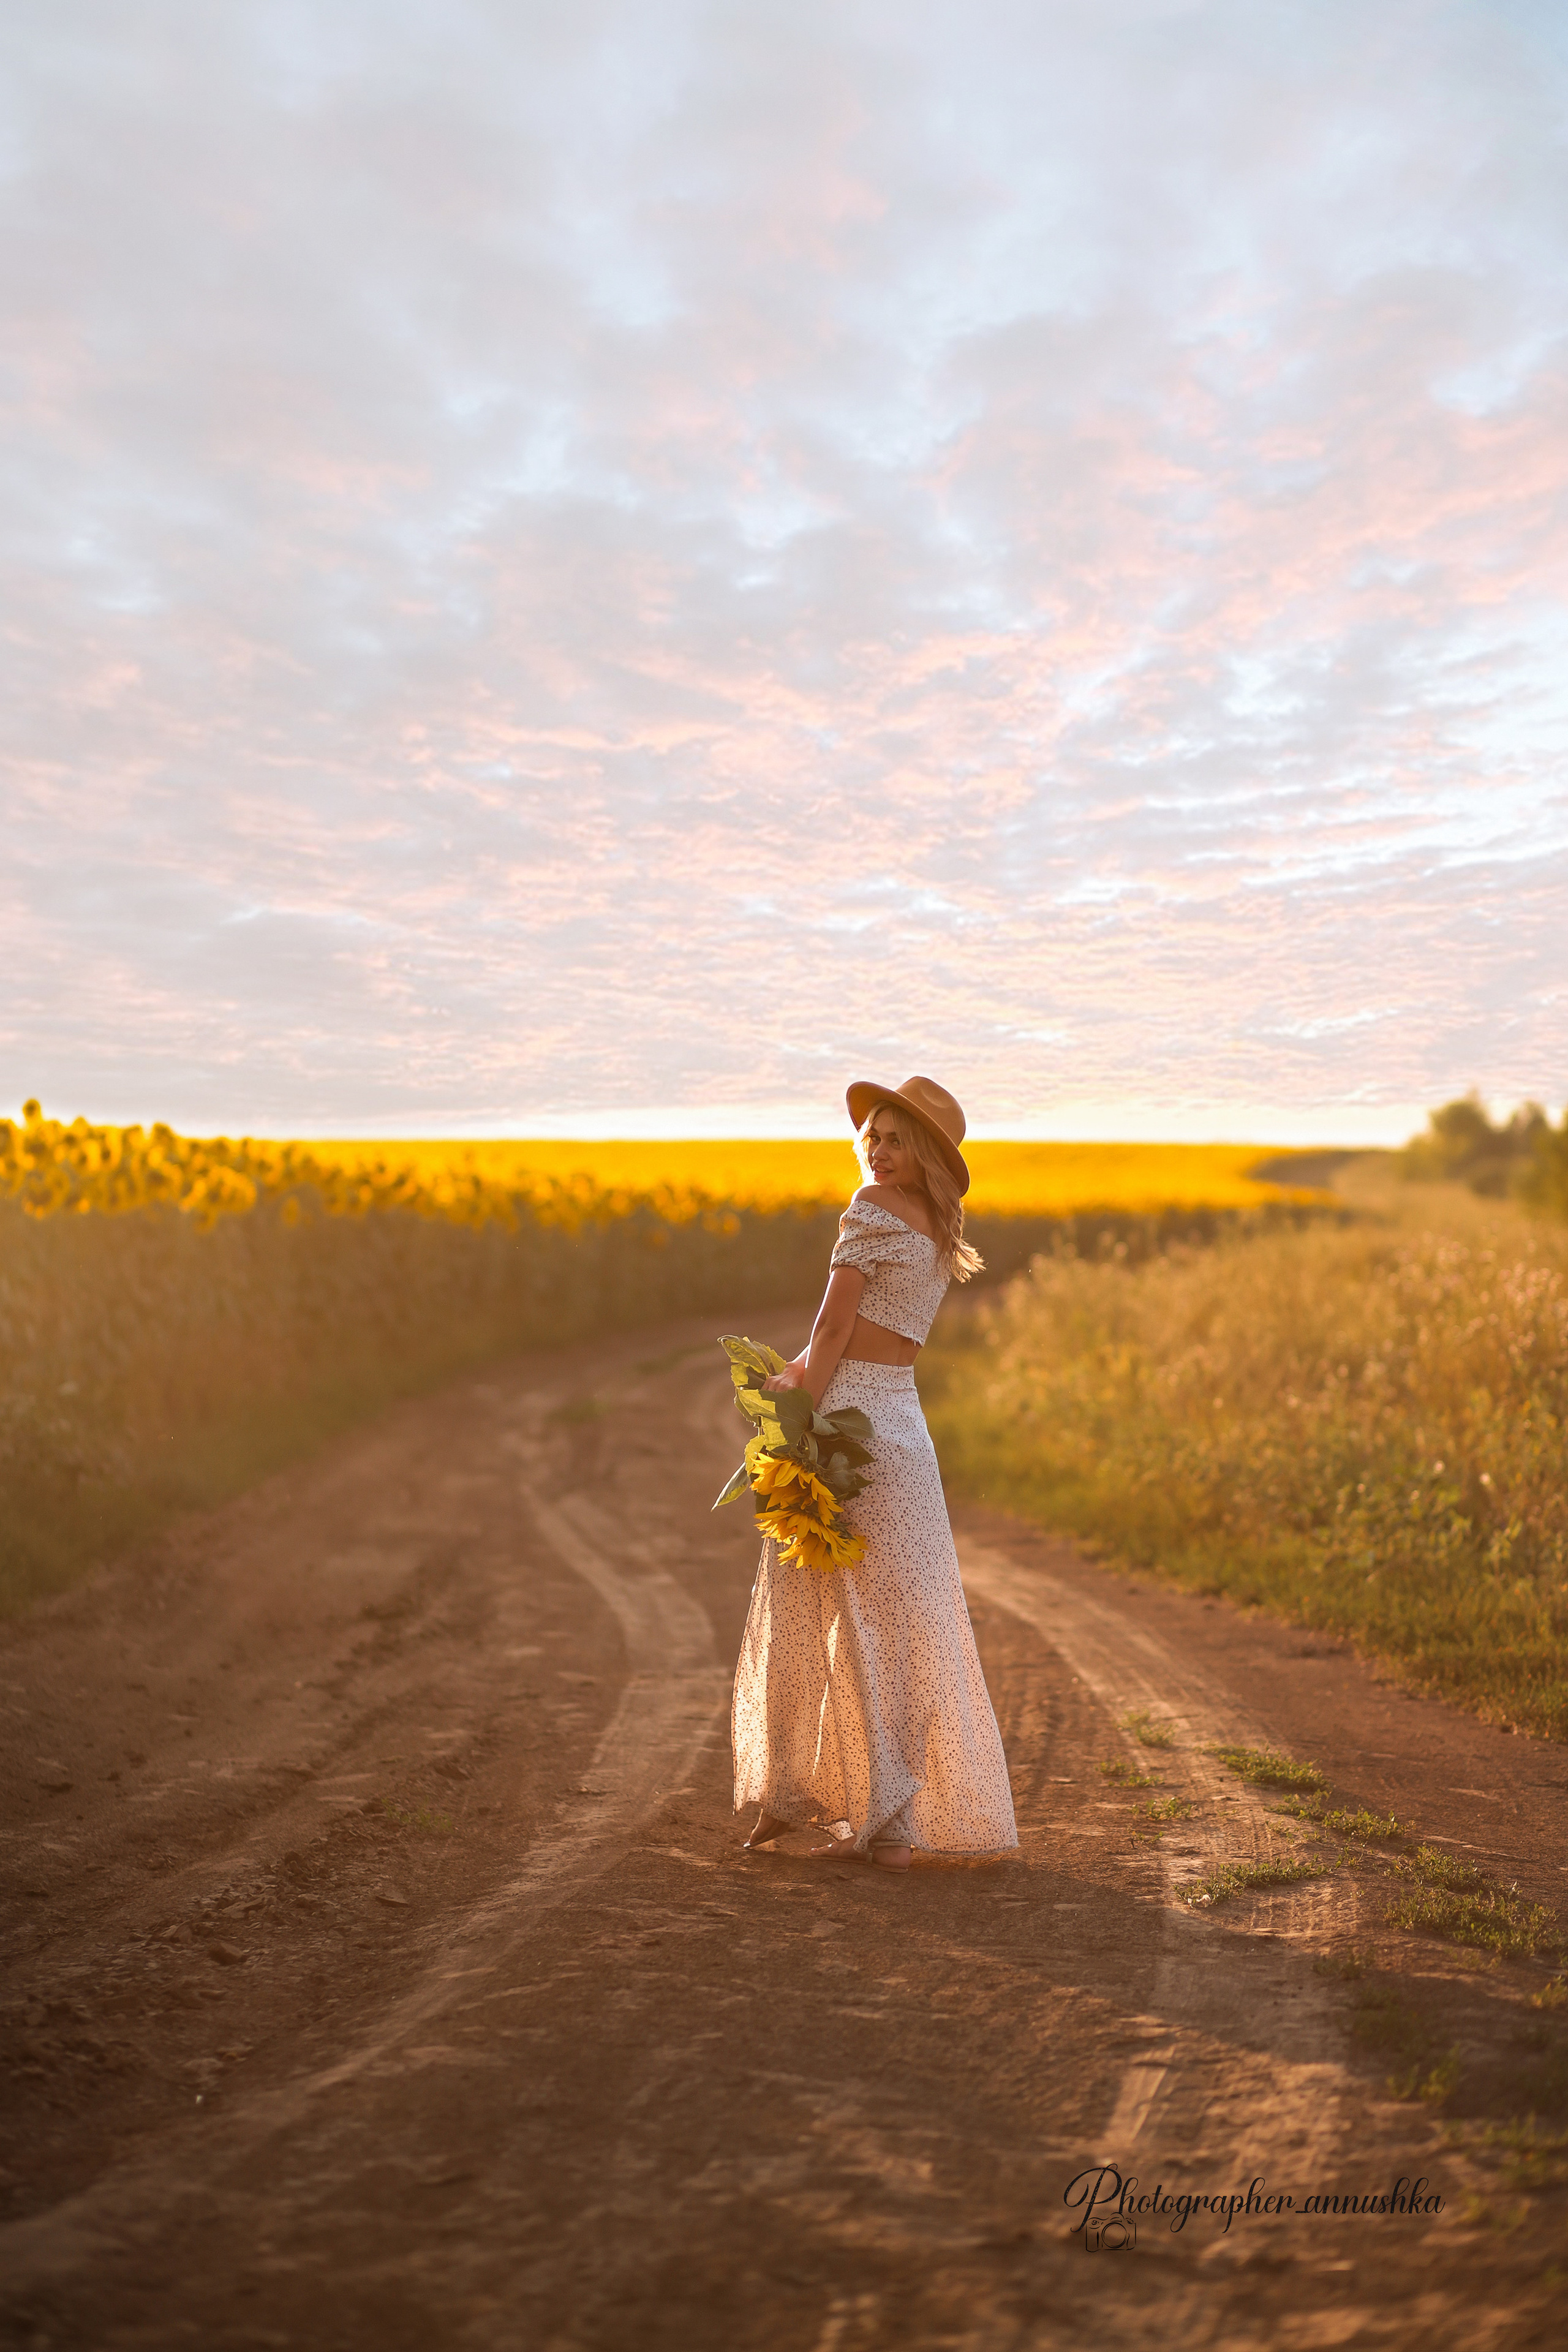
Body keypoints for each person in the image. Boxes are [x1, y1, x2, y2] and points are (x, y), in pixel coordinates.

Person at [731, 1075, 1019, 1869]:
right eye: (874, 1138)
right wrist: (792, 1372)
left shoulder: (868, 1210)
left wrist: (797, 1425)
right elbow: (863, 1337)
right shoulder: (936, 1228)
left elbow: (833, 1328)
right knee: (902, 1621)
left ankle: (790, 1799)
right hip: (905, 1432)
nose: (879, 1151)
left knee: (805, 1615)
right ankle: (892, 1820)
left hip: (847, 1427)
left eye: (897, 1140)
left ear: (922, 1152)